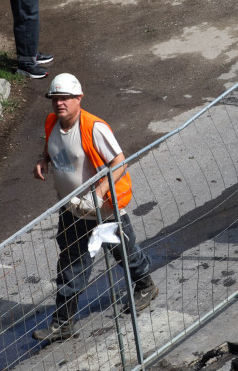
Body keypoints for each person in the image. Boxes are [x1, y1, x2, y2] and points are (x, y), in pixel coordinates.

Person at [32, 73, 157, 342]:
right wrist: (43, 160)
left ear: (79, 98)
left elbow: (120, 161)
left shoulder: (93, 127)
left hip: (102, 211)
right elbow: (52, 146)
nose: (59, 103)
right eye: (55, 98)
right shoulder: (52, 121)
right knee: (70, 267)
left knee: (124, 251)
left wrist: (98, 194)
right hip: (72, 210)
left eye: (65, 98)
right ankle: (62, 323)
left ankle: (145, 285)